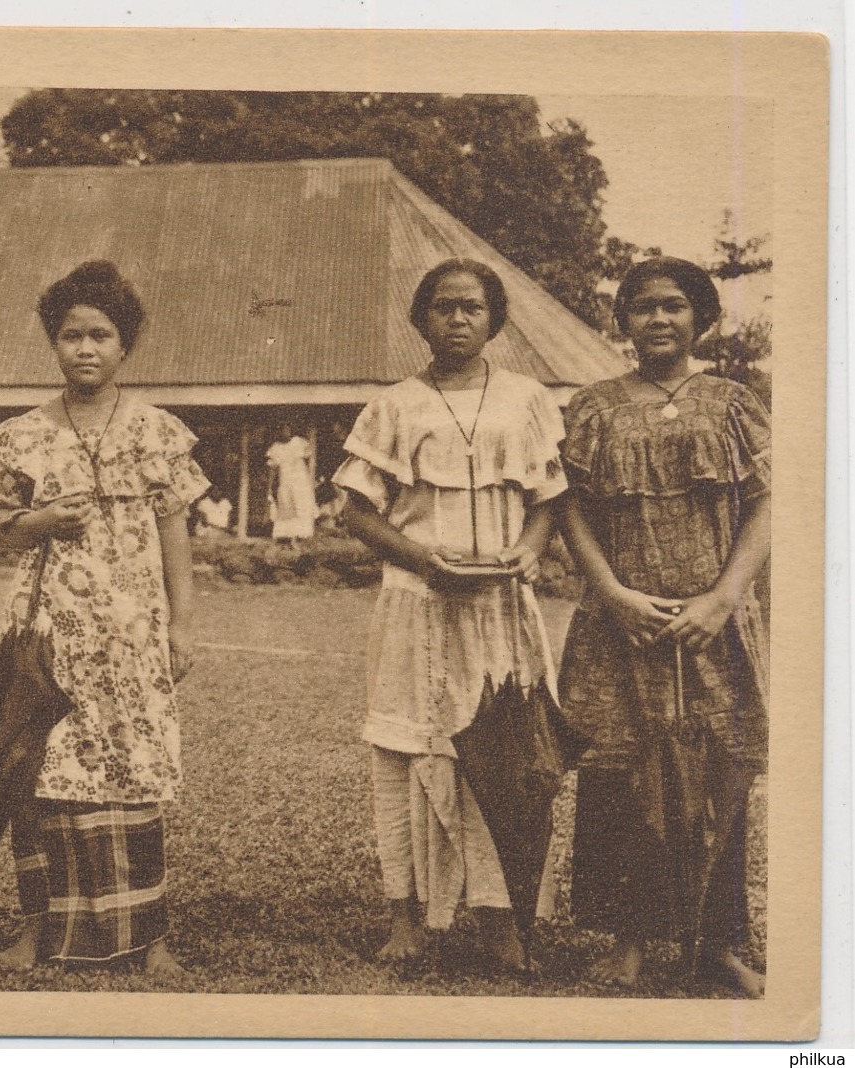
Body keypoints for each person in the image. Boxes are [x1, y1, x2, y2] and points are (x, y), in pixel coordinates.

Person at [332, 258, 567, 971]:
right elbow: (355, 510)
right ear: (421, 318)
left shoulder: (526, 398)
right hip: (417, 603)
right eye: (442, 307)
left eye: (471, 307)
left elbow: (548, 496)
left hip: (498, 605)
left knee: (500, 750)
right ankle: (404, 916)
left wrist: (527, 550)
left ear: (494, 319)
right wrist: (421, 560)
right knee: (403, 752)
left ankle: (501, 920)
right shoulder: (394, 405)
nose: (457, 319)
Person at [0, 260, 207, 975]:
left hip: (131, 635)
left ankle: (146, 937)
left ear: (123, 344)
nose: (85, 349)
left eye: (100, 335)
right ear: (53, 342)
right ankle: (38, 929)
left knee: (130, 770)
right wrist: (40, 517)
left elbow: (176, 534)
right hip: (48, 630)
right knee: (37, 769)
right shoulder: (17, 436)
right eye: (71, 335)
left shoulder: (159, 433)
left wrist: (182, 624)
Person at [558, 257, 769, 997]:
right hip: (623, 623)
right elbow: (568, 508)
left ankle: (713, 944)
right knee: (622, 774)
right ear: (623, 321)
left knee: (717, 771)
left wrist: (720, 599)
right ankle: (629, 940)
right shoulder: (593, 406)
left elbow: (765, 505)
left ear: (700, 318)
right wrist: (611, 592)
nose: (657, 320)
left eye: (674, 307)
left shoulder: (732, 403)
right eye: (642, 307)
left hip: (713, 621)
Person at [266, 423, 316, 543]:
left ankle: (303, 536)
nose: (285, 432)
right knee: (286, 507)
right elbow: (273, 470)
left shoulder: (298, 442)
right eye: (282, 430)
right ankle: (287, 536)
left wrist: (310, 479)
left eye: (287, 429)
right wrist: (270, 486)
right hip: (286, 480)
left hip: (300, 480)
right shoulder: (276, 447)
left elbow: (310, 460)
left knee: (302, 505)